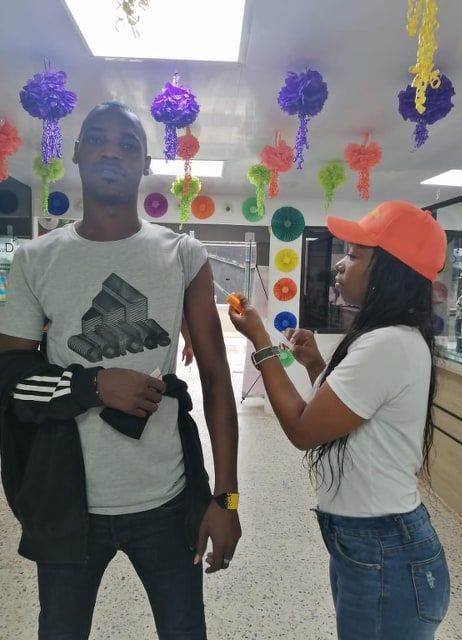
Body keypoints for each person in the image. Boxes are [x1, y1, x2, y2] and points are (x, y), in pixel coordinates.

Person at [0, 101, 241, 640]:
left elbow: (216, 378)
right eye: (98, 138)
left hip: (169, 498)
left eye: (128, 143)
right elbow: (10, 380)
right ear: (77, 151)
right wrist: (92, 385)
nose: (112, 150)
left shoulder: (182, 254)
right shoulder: (36, 259)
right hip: (68, 499)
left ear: (146, 163)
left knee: (185, 630)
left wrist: (226, 497)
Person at [229, 201, 450, 640]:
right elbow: (343, 415)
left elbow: (303, 430)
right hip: (371, 543)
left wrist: (261, 342)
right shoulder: (387, 337)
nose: (339, 266)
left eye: (353, 255)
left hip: (384, 550)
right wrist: (315, 365)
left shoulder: (387, 343)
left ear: (390, 271)